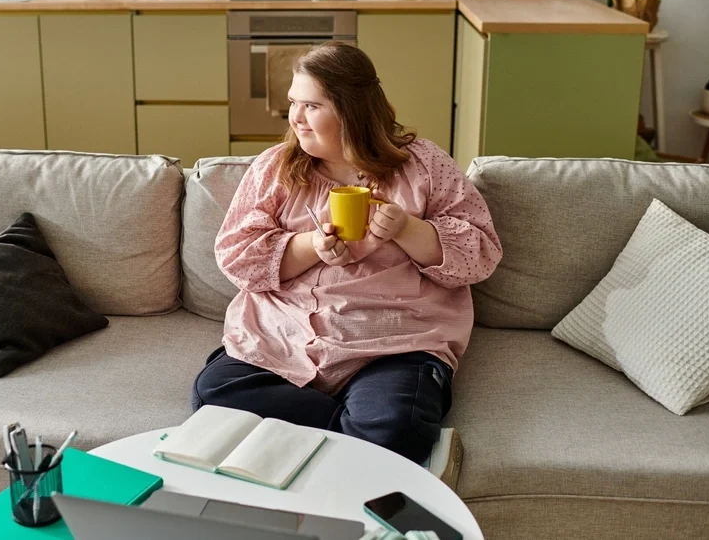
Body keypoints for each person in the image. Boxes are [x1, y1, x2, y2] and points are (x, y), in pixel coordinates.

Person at [191, 41, 502, 465]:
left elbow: (480, 251)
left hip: (392, 344)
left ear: (352, 110)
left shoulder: (424, 165)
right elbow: (236, 254)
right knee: (214, 394)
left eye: (311, 106)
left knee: (397, 422)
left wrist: (408, 229)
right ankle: (368, 445)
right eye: (293, 103)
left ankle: (340, 444)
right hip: (281, 340)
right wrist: (310, 247)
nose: (295, 118)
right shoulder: (275, 167)